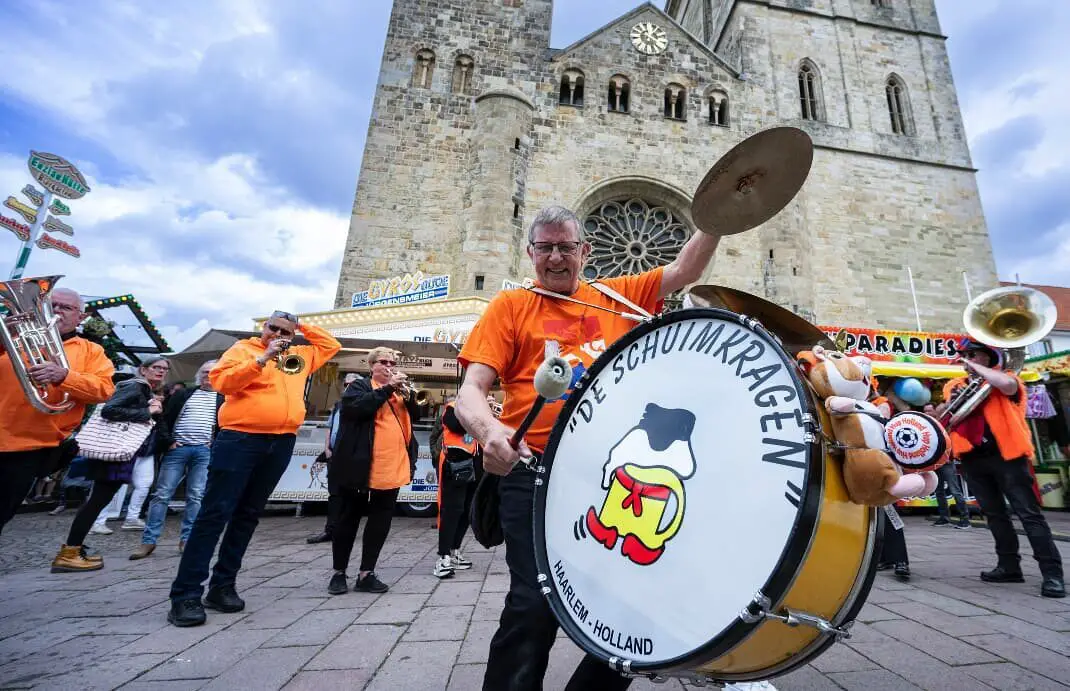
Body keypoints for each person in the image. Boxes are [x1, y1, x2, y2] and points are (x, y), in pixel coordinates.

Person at [455, 205, 720, 690]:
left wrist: (720, 212)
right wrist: (489, 432)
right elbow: (470, 390)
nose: (556, 257)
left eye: (566, 247)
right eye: (545, 248)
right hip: (531, 473)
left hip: (608, 477)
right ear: (530, 253)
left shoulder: (616, 296)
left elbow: (686, 270)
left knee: (629, 600)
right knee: (534, 603)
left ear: (585, 251)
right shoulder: (510, 306)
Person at [167, 311, 340, 626]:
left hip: (281, 440)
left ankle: (222, 585)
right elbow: (221, 382)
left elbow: (331, 345)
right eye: (273, 327)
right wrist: (262, 359)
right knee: (214, 514)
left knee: (247, 515)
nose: (278, 334)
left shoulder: (300, 354)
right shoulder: (242, 349)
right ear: (264, 326)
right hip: (240, 438)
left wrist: (300, 325)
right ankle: (186, 594)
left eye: (284, 331)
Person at [939, 339, 1064, 598]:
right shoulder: (956, 385)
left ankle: (1052, 574)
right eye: (964, 355)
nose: (967, 359)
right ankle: (1009, 566)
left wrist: (978, 368)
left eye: (973, 354)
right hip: (973, 457)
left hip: (1008, 456)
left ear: (988, 357)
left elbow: (1007, 386)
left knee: (1028, 514)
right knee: (994, 514)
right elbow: (946, 413)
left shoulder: (1007, 379)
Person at [0, 287, 115, 536]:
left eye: (66, 307)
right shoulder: (11, 338)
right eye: (51, 305)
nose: (57, 311)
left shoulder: (91, 351)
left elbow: (104, 389)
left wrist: (64, 376)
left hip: (29, 447)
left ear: (80, 317)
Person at [50, 357, 170, 572]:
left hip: (119, 453)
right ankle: (70, 552)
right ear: (143, 370)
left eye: (164, 369)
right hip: (113, 452)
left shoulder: (146, 391)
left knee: (98, 500)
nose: (161, 371)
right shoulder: (135, 386)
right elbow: (109, 410)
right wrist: (147, 412)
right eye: (156, 367)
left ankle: (74, 548)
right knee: (97, 501)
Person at [326, 348, 420, 595]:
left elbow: (416, 416)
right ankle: (338, 572)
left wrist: (409, 395)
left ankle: (366, 573)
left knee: (380, 522)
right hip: (360, 466)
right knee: (348, 519)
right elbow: (356, 409)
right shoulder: (359, 386)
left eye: (392, 363)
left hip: (391, 467)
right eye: (383, 362)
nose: (389, 366)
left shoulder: (399, 392)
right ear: (371, 365)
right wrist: (388, 388)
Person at [131, 359, 223, 559]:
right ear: (199, 375)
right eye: (205, 372)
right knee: (162, 494)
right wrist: (169, 441)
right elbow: (163, 418)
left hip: (204, 451)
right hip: (177, 449)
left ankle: (187, 540)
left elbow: (226, 425)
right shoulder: (184, 394)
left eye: (213, 372)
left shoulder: (224, 398)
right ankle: (149, 541)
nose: (208, 375)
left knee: (196, 495)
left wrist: (215, 444)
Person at [307, 372, 361, 544]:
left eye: (353, 385)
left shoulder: (362, 405)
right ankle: (330, 530)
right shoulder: (338, 405)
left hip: (351, 456)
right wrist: (327, 448)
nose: (348, 387)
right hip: (334, 455)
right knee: (334, 495)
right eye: (346, 384)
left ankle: (345, 531)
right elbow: (330, 428)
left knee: (350, 495)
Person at [433, 396, 479, 579]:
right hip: (455, 465)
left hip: (474, 466)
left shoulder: (479, 411)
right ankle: (443, 556)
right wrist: (481, 416)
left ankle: (454, 550)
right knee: (452, 511)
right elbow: (457, 426)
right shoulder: (452, 408)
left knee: (467, 511)